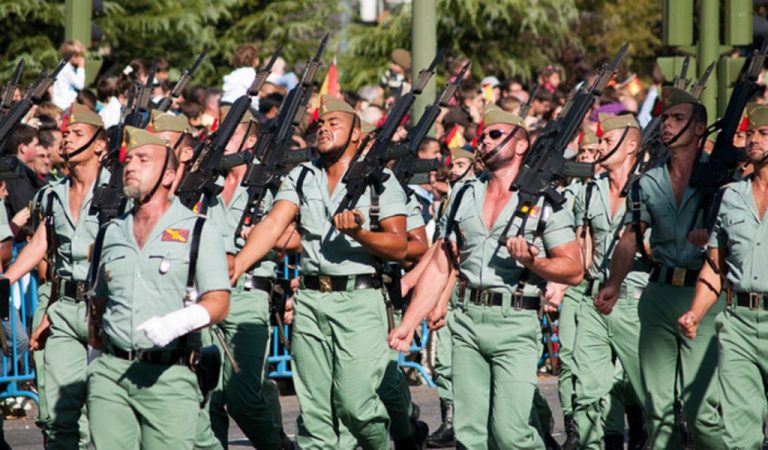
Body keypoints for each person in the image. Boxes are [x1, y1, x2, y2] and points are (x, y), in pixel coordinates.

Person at [389, 107, 583, 449]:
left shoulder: (545, 200)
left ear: (520, 144)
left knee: (510, 435)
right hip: (465, 320)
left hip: (515, 322)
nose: (484, 140)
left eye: (495, 134)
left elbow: (573, 267)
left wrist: (533, 262)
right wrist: (410, 321)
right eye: (483, 135)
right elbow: (441, 264)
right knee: (470, 434)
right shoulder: (465, 194)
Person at [233, 96, 410, 449]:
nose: (324, 129)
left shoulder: (380, 180)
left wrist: (359, 234)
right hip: (311, 301)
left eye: (335, 124)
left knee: (356, 404)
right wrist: (238, 266)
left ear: (357, 133)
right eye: (321, 124)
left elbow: (401, 245)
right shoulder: (302, 176)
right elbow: (272, 225)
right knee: (315, 413)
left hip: (360, 301)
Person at [595, 87, 726, 449]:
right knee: (659, 409)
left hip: (703, 295)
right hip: (658, 294)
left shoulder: (720, 181)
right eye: (665, 118)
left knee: (702, 412)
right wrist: (613, 281)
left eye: (678, 119)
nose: (667, 125)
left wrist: (714, 241)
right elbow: (631, 236)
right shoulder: (646, 183)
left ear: (700, 128)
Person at [85, 126, 230, 449]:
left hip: (169, 376)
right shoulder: (111, 232)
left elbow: (219, 301)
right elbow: (98, 303)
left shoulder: (197, 230)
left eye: (143, 159)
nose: (131, 166)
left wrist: (176, 323)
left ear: (169, 176)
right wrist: (93, 364)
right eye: (129, 159)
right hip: (112, 374)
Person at [2, 104, 106, 449]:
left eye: (78, 135)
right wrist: (7, 279)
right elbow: (40, 243)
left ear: (100, 145)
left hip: (106, 312)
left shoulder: (117, 195)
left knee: (106, 412)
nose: (67, 142)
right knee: (60, 413)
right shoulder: (52, 194)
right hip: (64, 311)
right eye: (65, 135)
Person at [678, 102, 768, 450]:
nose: (753, 140)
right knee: (739, 433)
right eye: (751, 134)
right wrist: (696, 313)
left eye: (763, 134)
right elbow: (716, 267)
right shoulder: (730, 197)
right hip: (739, 323)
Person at [197, 111, 286, 449]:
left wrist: (265, 236)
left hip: (248, 294)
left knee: (243, 396)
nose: (222, 139)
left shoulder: (270, 183)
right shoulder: (207, 185)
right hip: (206, 294)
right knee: (210, 397)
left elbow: (295, 236)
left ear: (250, 141)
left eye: (230, 134)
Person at [571, 113, 648, 449]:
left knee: (648, 387)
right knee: (587, 386)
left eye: (605, 140)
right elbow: (582, 241)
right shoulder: (590, 191)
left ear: (630, 145)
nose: (598, 146)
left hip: (637, 301)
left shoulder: (652, 186)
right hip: (595, 299)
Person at [221, 43, 261, 112]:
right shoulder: (251, 73)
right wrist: (256, 109)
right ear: (254, 59)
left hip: (224, 104)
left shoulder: (234, 73)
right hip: (237, 107)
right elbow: (253, 94)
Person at [53, 40, 87, 110]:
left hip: (65, 103)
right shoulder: (65, 67)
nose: (80, 57)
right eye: (78, 55)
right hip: (63, 105)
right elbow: (80, 85)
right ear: (72, 55)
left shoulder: (66, 65)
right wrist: (81, 67)